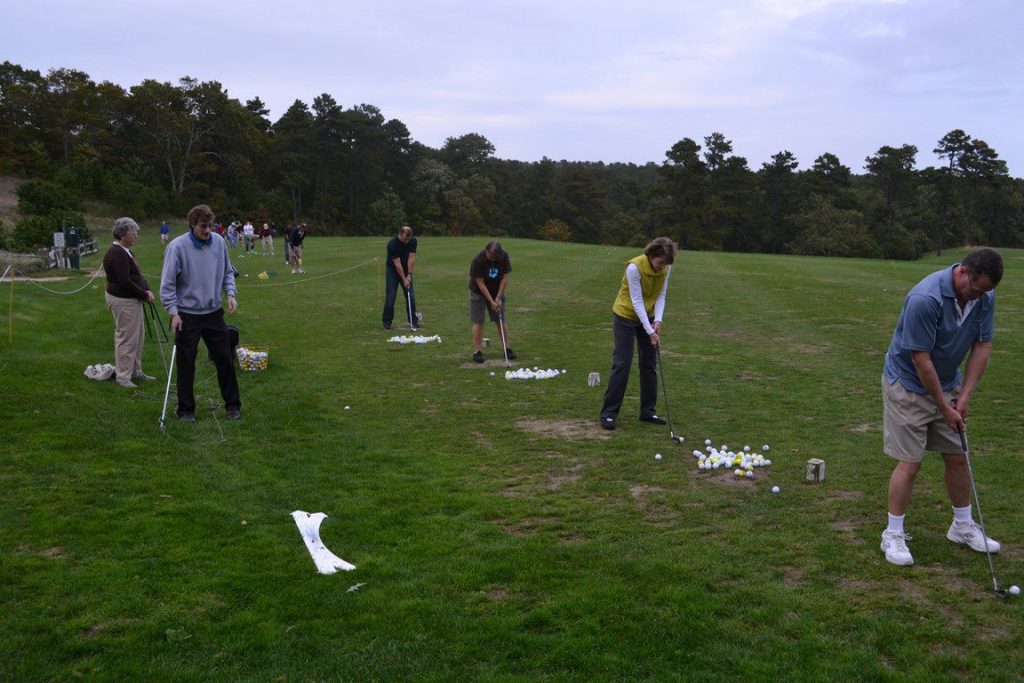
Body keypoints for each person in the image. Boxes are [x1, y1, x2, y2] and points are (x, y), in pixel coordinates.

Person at [879, 248, 1004, 566]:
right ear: (963, 272)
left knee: (957, 456)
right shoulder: (926, 298)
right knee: (911, 462)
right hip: (908, 383)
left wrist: (963, 398)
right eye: (976, 289)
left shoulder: (984, 297)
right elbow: (920, 360)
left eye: (985, 292)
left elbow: (982, 346)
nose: (980, 297)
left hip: (948, 383)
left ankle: (962, 526)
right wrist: (943, 406)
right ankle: (892, 533)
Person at [160, 204, 241, 422]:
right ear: (192, 225)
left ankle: (232, 405)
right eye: (203, 226)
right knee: (186, 364)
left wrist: (231, 294)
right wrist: (173, 312)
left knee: (224, 359)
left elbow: (227, 272)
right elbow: (167, 285)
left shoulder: (219, 242)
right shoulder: (177, 247)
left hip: (213, 313)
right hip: (187, 315)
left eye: (210, 225)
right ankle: (186, 410)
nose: (207, 230)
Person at [599, 237, 676, 431]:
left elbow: (661, 295)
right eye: (659, 262)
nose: (661, 267)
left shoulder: (666, 268)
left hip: (648, 316)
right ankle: (609, 414)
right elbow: (636, 301)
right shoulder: (634, 268)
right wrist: (650, 330)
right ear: (651, 255)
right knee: (622, 363)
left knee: (649, 364)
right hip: (625, 315)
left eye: (665, 264)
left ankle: (648, 411)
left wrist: (658, 321)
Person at [102, 217, 157, 388]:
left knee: (138, 336)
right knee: (127, 337)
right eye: (133, 233)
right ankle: (123, 376)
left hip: (131, 299)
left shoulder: (126, 251)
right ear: (123, 234)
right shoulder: (116, 253)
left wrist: (146, 289)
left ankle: (135, 371)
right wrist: (143, 294)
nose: (136, 236)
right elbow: (124, 281)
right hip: (123, 300)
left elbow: (137, 275)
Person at [469, 240, 516, 363]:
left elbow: (505, 278)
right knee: (478, 321)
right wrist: (491, 301)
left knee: (500, 319)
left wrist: (498, 298)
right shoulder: (477, 261)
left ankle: (507, 348)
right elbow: (481, 284)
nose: (495, 259)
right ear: (487, 251)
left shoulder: (504, 256)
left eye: (497, 257)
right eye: (493, 256)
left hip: (497, 290)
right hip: (478, 292)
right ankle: (477, 351)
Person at [381, 225, 418, 330]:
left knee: (410, 295)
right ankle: (387, 321)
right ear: (400, 234)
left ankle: (413, 321)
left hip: (406, 270)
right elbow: (397, 264)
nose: (407, 241)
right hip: (393, 270)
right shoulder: (392, 244)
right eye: (405, 239)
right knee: (391, 295)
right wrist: (403, 279)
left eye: (408, 239)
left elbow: (412, 258)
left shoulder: (413, 241)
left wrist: (409, 275)